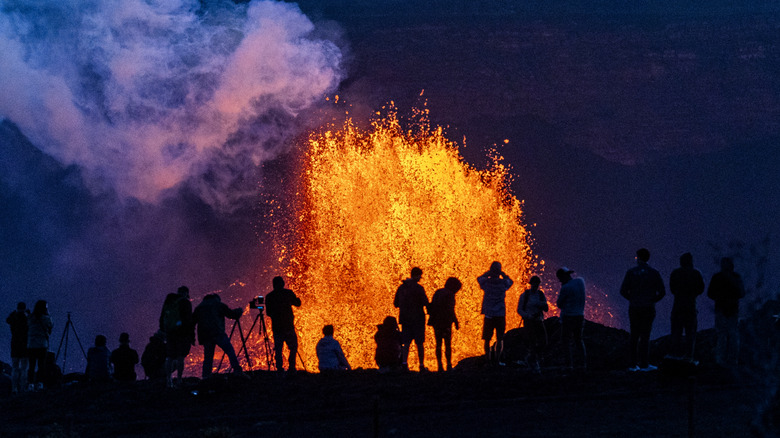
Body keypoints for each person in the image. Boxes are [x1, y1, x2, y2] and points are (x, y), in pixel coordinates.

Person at [620, 248, 666, 372]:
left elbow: (623, 291)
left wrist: (633, 299)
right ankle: (644, 364)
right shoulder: (654, 273)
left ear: (638, 258)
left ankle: (633, 364)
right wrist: (651, 300)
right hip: (648, 308)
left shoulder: (631, 272)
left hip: (634, 308)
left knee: (634, 335)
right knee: (645, 335)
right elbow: (662, 291)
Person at [192, 293, 245, 379]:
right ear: (216, 298)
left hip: (205, 336)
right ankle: (237, 370)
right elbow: (231, 314)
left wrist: (192, 337)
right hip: (218, 333)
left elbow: (192, 322)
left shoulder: (199, 308)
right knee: (230, 350)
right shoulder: (218, 305)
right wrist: (239, 311)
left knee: (208, 357)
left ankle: (205, 377)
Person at [707, 257, 745, 367]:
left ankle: (720, 360)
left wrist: (720, 298)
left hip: (720, 309)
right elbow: (742, 293)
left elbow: (710, 293)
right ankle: (732, 360)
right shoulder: (736, 277)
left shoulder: (717, 277)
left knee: (722, 335)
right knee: (733, 335)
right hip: (733, 310)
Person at [668, 252, 705, 361]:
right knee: (690, 333)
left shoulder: (675, 273)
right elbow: (701, 289)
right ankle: (689, 356)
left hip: (678, 306)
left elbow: (672, 289)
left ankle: (674, 355)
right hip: (690, 306)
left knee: (676, 332)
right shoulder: (696, 274)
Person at [394, 267, 430, 371]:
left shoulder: (401, 288)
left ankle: (404, 364)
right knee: (419, 343)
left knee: (406, 342)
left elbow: (396, 304)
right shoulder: (418, 288)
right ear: (417, 275)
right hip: (418, 318)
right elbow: (425, 302)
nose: (420, 278)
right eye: (420, 276)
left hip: (405, 319)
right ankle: (422, 365)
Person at [478, 261, 513, 365]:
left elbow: (479, 279)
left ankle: (487, 359)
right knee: (500, 338)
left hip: (489, 314)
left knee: (487, 339)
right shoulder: (503, 284)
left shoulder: (487, 284)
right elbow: (510, 281)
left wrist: (487, 273)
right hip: (500, 314)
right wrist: (503, 274)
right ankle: (497, 360)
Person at [265, 276, 302, 374]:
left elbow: (268, 313)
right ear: (282, 283)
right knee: (293, 347)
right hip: (288, 326)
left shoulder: (269, 297)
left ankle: (279, 369)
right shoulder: (288, 293)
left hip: (277, 328)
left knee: (278, 349)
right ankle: (292, 367)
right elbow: (298, 304)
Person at [159, 286, 194, 388]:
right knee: (180, 357)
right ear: (186, 293)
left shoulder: (169, 301)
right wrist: (191, 335)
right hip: (182, 334)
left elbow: (162, 317)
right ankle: (179, 379)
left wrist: (163, 330)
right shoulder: (186, 303)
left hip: (170, 333)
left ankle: (168, 380)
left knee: (169, 357)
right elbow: (188, 320)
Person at [427, 277, 462, 372]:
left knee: (438, 344)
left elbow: (431, 305)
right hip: (446, 322)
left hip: (436, 322)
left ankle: (439, 366)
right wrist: (456, 321)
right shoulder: (450, 294)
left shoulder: (438, 292)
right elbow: (451, 309)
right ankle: (449, 365)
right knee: (447, 344)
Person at [556, 267, 587, 370]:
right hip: (580, 316)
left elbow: (559, 304)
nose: (560, 281)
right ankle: (582, 364)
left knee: (566, 341)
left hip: (568, 317)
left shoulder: (565, 288)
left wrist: (564, 287)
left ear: (563, 277)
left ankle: (569, 365)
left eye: (560, 278)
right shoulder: (580, 281)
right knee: (579, 340)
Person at [517, 276, 549, 373]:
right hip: (529, 321)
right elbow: (519, 310)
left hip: (538, 320)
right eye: (534, 284)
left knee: (544, 341)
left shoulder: (540, 294)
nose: (536, 286)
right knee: (532, 341)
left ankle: (531, 358)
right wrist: (528, 315)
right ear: (531, 284)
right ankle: (533, 361)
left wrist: (541, 304)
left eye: (537, 284)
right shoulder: (525, 295)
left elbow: (546, 308)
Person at [27, 300, 53, 391]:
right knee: (41, 365)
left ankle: (30, 384)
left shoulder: (30, 317)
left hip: (31, 344)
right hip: (42, 344)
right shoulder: (46, 318)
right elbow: (50, 326)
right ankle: (40, 383)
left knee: (31, 366)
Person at [6, 302, 29, 394]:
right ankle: (23, 388)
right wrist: (29, 314)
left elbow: (7, 320)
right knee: (24, 368)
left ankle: (14, 388)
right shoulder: (26, 318)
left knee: (14, 367)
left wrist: (12, 313)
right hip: (24, 345)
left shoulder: (14, 318)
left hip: (15, 344)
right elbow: (32, 322)